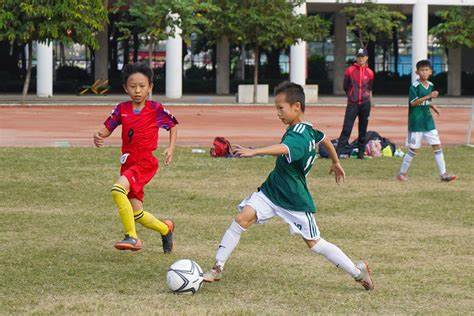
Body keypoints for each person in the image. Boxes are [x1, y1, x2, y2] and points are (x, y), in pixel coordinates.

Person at [202, 81, 374, 291]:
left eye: (280, 108)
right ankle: (217, 268)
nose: (278, 113)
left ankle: (358, 273)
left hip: (294, 199)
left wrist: (255, 151)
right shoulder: (306, 128)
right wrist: (335, 161)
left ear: (297, 107)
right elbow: (325, 139)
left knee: (315, 244)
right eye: (277, 108)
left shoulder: (298, 135)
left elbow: (284, 148)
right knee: (241, 219)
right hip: (271, 190)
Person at [93, 62, 179, 252]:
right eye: (133, 86)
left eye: (142, 86)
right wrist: (99, 135)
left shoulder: (155, 108)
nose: (138, 90)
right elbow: (108, 127)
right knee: (137, 213)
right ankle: (166, 229)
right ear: (125, 88)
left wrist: (171, 148)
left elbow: (172, 125)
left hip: (144, 163)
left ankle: (132, 237)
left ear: (150, 87)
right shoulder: (121, 109)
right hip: (128, 163)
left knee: (117, 190)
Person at [397, 59, 456, 182]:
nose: (424, 72)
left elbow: (425, 101)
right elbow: (413, 103)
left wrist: (433, 106)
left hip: (428, 121)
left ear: (430, 72)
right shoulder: (414, 86)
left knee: (437, 146)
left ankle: (443, 174)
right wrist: (429, 96)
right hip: (416, 122)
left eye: (426, 70)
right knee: (413, 149)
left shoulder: (430, 85)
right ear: (417, 72)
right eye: (422, 70)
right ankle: (402, 173)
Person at [336, 48, 374, 159]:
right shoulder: (350, 70)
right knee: (347, 128)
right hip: (352, 104)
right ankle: (337, 153)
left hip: (365, 104)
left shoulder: (370, 73)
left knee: (363, 129)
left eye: (362, 56)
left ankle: (361, 154)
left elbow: (370, 87)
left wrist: (365, 96)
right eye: (359, 56)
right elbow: (345, 86)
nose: (360, 59)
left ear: (366, 58)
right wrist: (352, 96)